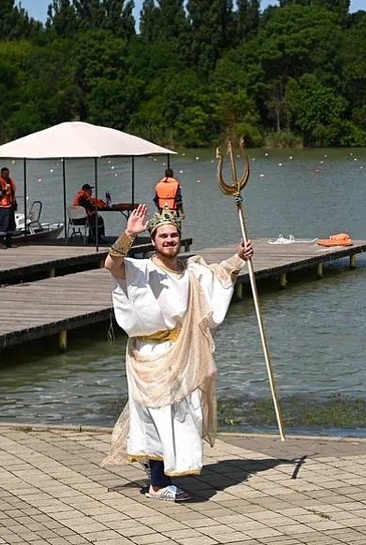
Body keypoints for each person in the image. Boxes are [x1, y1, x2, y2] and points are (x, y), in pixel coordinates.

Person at [100, 205, 253, 502]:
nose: (169, 240)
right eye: (163, 236)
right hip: (150, 353)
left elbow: (219, 276)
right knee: (157, 417)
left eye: (173, 235)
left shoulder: (191, 271)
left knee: (183, 416)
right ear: (153, 240)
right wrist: (129, 233)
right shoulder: (142, 270)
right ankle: (158, 483)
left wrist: (239, 258)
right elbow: (112, 264)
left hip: (184, 351)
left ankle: (161, 473)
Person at [0, 167, 17, 248]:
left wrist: (15, 204)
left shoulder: (10, 182)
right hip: (3, 207)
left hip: (10, 206)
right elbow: (0, 194)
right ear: (1, 174)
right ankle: (1, 243)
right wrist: (5, 189)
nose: (7, 175)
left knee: (11, 225)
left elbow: (13, 194)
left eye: (8, 173)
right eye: (5, 174)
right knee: (3, 225)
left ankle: (9, 242)